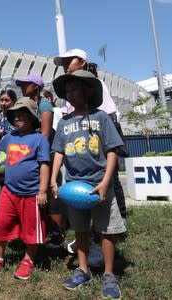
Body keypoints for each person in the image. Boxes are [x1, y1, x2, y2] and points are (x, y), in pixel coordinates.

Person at [50, 70, 126, 299]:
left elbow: (112, 151)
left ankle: (109, 274)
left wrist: (105, 182)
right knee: (80, 230)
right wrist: (54, 179)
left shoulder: (101, 118)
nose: (71, 95)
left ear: (88, 91)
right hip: (75, 187)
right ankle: (83, 269)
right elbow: (58, 152)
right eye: (68, 91)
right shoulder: (63, 122)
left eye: (75, 90)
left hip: (100, 185)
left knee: (106, 231)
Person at [0, 97, 50, 280]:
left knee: (31, 229)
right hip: (8, 191)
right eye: (15, 114)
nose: (18, 117)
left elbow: (44, 165)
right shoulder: (9, 138)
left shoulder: (39, 139)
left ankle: (28, 260)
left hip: (31, 194)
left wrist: (43, 191)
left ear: (32, 117)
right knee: (0, 224)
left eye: (22, 113)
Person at [15, 75, 66, 249]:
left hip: (47, 155)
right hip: (35, 154)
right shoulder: (31, 104)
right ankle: (41, 231)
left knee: (52, 194)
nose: (22, 87)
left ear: (35, 86)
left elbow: (44, 135)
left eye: (25, 84)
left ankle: (58, 233)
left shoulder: (44, 105)